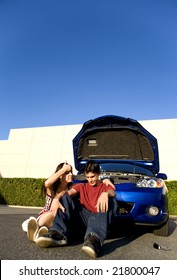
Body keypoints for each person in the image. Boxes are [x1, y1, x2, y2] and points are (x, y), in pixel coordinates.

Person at [36, 160, 117, 258]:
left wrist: (106, 194)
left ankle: (93, 239)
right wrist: (57, 198)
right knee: (65, 197)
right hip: (83, 220)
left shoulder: (104, 186)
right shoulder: (81, 186)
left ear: (98, 174)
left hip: (98, 220)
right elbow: (67, 193)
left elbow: (113, 193)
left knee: (111, 201)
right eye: (87, 177)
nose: (90, 180)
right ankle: (57, 233)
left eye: (93, 177)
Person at [22, 162, 73, 242]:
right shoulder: (52, 188)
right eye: (67, 173)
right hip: (46, 215)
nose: (71, 174)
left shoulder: (71, 188)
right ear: (60, 175)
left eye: (71, 172)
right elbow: (47, 183)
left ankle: (38, 232)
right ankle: (37, 229)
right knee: (53, 212)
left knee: (56, 213)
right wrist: (63, 169)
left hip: (61, 219)